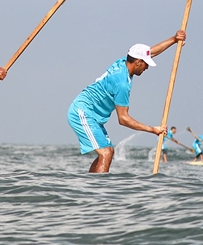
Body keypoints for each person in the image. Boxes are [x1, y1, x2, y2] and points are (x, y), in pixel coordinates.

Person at [67, 32, 184, 174]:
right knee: (105, 153)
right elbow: (123, 119)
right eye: (146, 64)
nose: (146, 68)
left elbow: (151, 52)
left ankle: (91, 186)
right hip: (82, 112)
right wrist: (152, 129)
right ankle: (99, 192)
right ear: (138, 62)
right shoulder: (121, 83)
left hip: (93, 116)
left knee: (109, 151)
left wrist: (174, 39)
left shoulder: (124, 61)